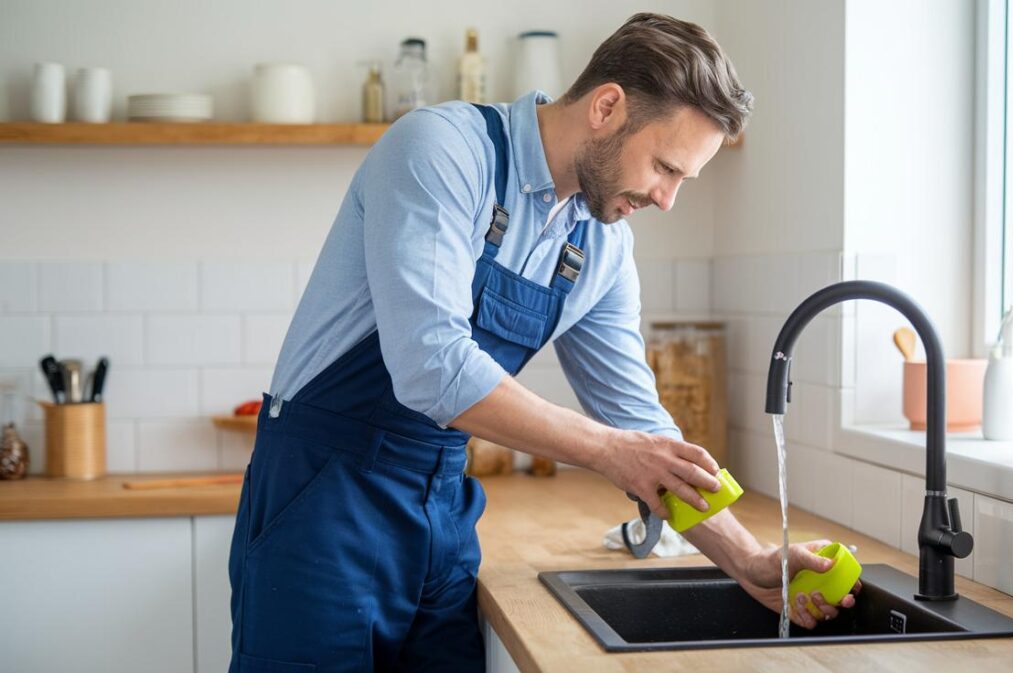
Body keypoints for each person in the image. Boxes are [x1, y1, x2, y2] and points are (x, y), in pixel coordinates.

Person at [227, 12, 856, 672]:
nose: (668, 199)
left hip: (441, 508)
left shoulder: (602, 244)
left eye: (682, 181)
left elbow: (640, 424)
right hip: (324, 498)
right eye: (666, 167)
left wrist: (745, 556)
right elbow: (430, 368)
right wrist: (613, 452)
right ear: (606, 107)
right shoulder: (441, 150)